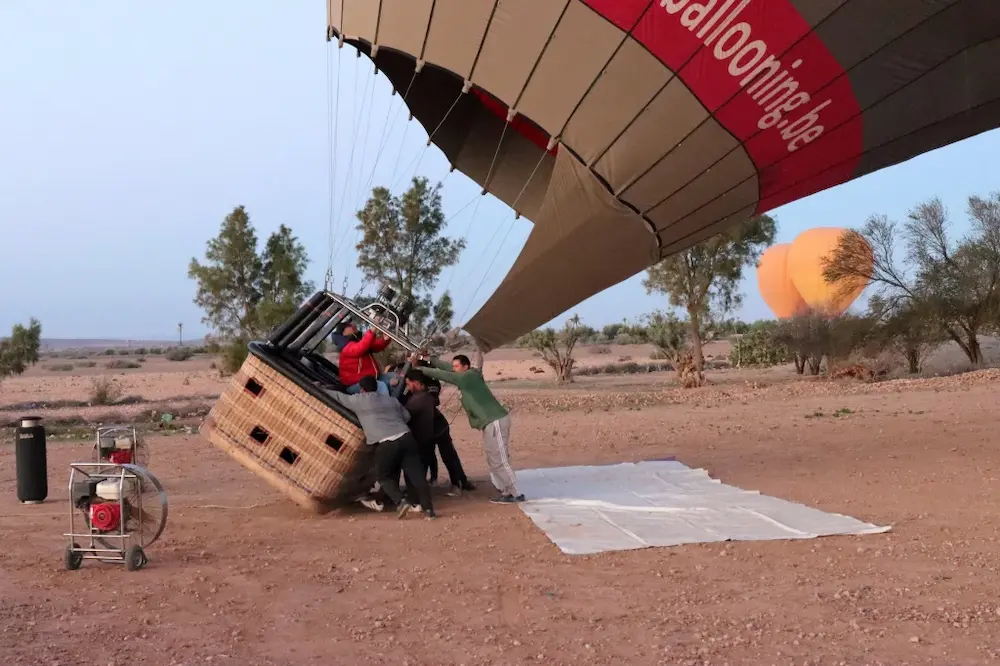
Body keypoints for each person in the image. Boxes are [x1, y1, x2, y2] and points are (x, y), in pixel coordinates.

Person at [415, 353, 524, 504]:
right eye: (454, 366)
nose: (454, 369)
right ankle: (506, 491)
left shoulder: (468, 377)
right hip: (489, 423)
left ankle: (515, 492)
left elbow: (445, 374)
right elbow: (447, 368)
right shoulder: (466, 375)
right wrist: (429, 360)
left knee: (500, 458)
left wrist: (420, 369)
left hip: (495, 421)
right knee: (493, 458)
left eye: (457, 366)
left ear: (466, 367)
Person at [325, 375, 435, 519]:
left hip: (387, 442)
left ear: (362, 389)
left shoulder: (357, 400)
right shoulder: (390, 400)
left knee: (383, 476)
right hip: (407, 437)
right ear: (377, 387)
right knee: (417, 476)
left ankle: (400, 501)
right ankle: (429, 510)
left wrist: (320, 387)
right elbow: (407, 416)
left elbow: (338, 396)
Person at [410, 360, 475, 495]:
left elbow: (430, 400)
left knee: (448, 456)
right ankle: (433, 482)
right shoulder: (427, 384)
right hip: (428, 426)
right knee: (429, 455)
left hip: (436, 426)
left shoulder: (429, 385)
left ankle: (458, 483)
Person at [332, 321, 391, 395]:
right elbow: (361, 347)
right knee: (381, 386)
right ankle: (388, 405)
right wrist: (374, 328)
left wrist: (384, 339)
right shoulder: (346, 348)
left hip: (372, 379)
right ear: (344, 332)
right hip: (356, 384)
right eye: (349, 325)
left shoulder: (357, 342)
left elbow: (374, 346)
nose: (353, 326)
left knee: (393, 377)